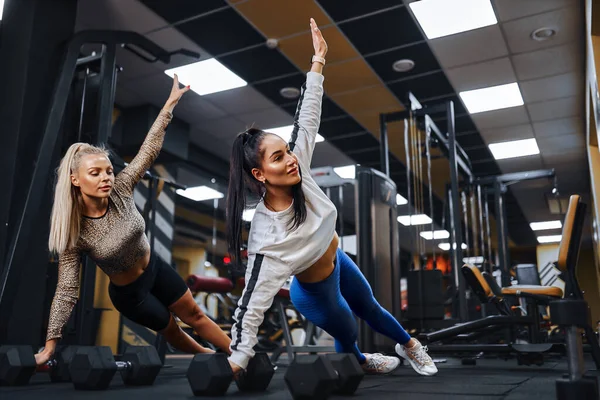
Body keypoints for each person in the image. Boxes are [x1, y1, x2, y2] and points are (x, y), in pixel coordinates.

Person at [225, 18, 438, 377]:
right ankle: (360, 361)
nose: (290, 158)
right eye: (278, 157)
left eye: (286, 151)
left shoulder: (298, 167)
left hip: (336, 256)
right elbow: (250, 307)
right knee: (347, 331)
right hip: (313, 291)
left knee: (370, 305)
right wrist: (237, 360)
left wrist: (318, 62)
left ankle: (411, 345)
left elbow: (307, 118)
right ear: (259, 175)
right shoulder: (267, 237)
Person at [36, 75, 231, 365]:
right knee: (172, 329)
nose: (106, 177)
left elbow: (148, 151)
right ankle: (210, 358)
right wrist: (50, 345)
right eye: (95, 173)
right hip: (130, 294)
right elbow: (66, 291)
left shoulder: (121, 189)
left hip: (155, 267)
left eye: (108, 170)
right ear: (75, 180)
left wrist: (169, 106)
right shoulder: (75, 233)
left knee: (196, 315)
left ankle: (240, 354)